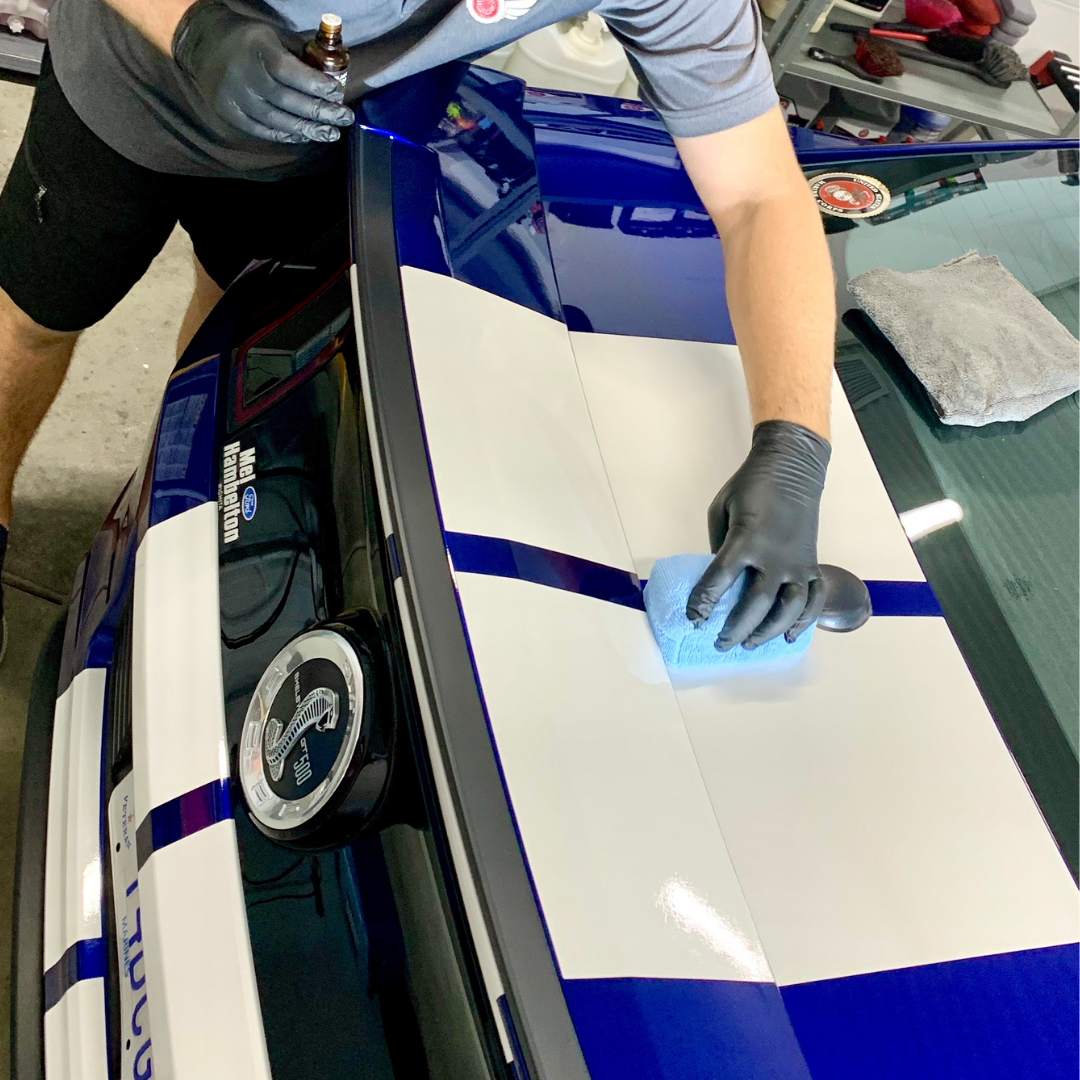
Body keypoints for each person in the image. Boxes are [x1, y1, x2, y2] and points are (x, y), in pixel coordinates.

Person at [0, 0, 835, 662]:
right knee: (31, 321)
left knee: (224, 332)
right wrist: (191, 27)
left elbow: (759, 193)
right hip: (127, 94)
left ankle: (162, 516)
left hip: (312, 144)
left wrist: (795, 445)